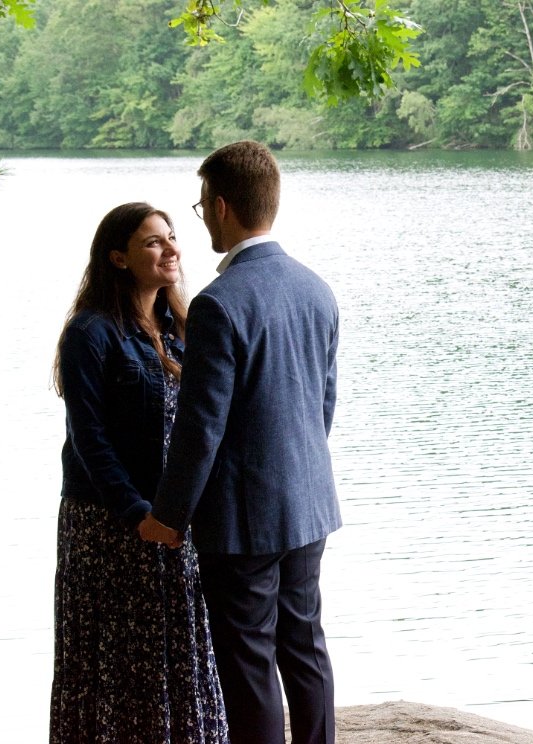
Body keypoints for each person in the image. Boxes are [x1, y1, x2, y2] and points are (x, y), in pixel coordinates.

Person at [139, 141, 342, 744]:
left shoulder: (218, 305)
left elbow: (202, 429)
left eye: (201, 207)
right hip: (308, 502)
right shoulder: (316, 289)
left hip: (243, 518)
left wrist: (168, 516)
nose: (201, 219)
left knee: (249, 661)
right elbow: (322, 405)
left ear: (222, 206)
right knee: (304, 648)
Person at [50, 202, 228, 744]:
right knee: (114, 657)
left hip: (175, 521)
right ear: (118, 258)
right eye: (153, 241)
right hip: (108, 524)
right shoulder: (91, 332)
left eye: (172, 237)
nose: (172, 248)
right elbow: (89, 440)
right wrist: (136, 515)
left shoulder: (185, 326)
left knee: (182, 646)